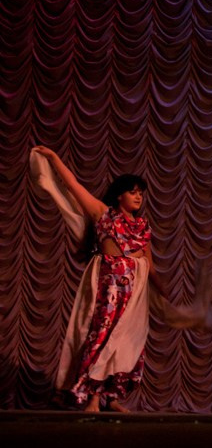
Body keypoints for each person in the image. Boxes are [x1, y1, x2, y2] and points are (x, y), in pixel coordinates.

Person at [31, 146, 168, 413]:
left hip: (134, 291)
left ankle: (112, 397)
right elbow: (72, 184)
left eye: (141, 193)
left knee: (127, 342)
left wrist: (162, 292)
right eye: (133, 191)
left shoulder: (143, 226)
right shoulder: (102, 214)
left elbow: (149, 265)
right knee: (103, 336)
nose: (138, 196)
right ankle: (92, 398)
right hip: (110, 286)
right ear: (120, 196)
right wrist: (53, 158)